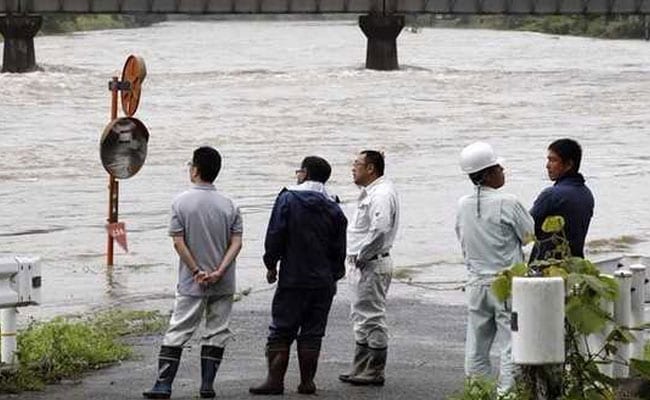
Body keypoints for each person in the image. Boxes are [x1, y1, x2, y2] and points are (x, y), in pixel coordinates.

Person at [143, 146, 243, 400]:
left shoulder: (180, 202)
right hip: (223, 280)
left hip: (192, 281)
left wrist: (197, 271)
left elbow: (178, 243)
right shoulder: (230, 205)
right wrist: (219, 271)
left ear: (195, 169)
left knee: (179, 329)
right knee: (217, 330)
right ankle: (207, 386)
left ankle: (164, 385)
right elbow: (236, 243)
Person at [249, 156, 347, 395]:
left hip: (293, 277)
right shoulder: (333, 205)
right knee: (313, 332)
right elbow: (339, 248)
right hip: (323, 280)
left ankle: (275, 381)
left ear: (304, 173)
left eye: (298, 172)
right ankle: (307, 382)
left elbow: (275, 235)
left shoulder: (287, 199)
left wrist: (271, 265)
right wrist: (334, 275)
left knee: (281, 330)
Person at [455, 141, 534, 394]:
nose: (503, 171)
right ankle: (507, 394)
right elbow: (529, 236)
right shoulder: (508, 202)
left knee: (477, 344)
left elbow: (463, 240)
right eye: (499, 167)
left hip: (476, 282)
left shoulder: (463, 204)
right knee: (511, 343)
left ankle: (478, 392)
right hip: (506, 285)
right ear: (488, 173)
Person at [339, 150, 400, 387]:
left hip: (371, 262)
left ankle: (374, 369)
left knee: (372, 316)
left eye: (357, 164)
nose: (353, 168)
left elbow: (381, 228)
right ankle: (361, 366)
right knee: (360, 315)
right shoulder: (372, 192)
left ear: (371, 168)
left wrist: (363, 253)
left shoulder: (381, 193)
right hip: (363, 263)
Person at [530, 138, 594, 261]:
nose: (547, 166)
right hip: (575, 265)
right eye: (548, 160)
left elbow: (526, 228)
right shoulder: (586, 194)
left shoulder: (551, 195)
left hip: (546, 267)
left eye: (553, 160)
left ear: (569, 164)